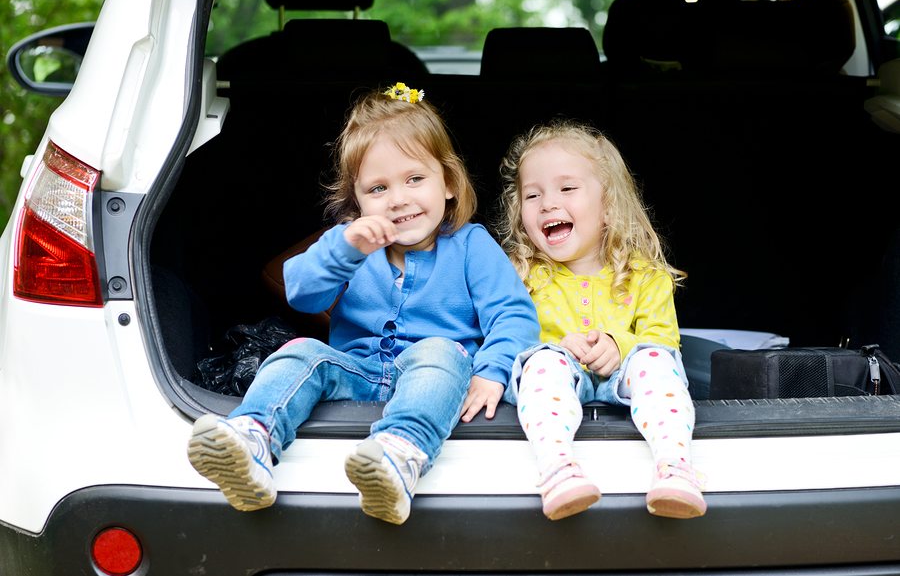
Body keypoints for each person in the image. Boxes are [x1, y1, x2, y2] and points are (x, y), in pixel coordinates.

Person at [186, 82, 539, 525]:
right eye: (378, 188)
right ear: (357, 200)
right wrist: (345, 250)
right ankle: (253, 440)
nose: (398, 199)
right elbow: (301, 292)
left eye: (415, 179)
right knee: (301, 352)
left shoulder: (471, 245)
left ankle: (399, 455)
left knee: (439, 350)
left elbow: (513, 314)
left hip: (436, 383)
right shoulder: (350, 244)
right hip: (358, 376)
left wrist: (492, 371)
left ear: (449, 183)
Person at [495, 119, 706, 521]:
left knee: (655, 361)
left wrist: (619, 345)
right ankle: (557, 469)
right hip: (556, 386)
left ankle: (675, 466)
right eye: (532, 194)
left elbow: (664, 340)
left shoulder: (646, 276)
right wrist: (555, 349)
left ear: (609, 204)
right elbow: (506, 342)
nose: (548, 204)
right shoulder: (520, 277)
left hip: (627, 381)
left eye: (567, 189)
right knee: (541, 363)